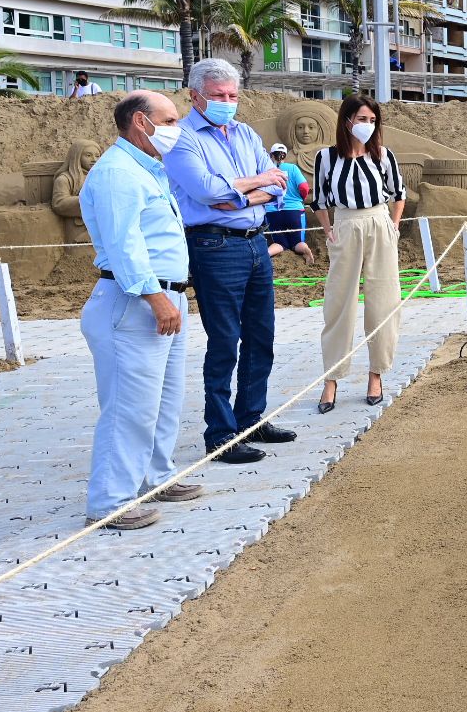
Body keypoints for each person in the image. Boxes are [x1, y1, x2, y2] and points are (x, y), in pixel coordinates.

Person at [78, 91, 203, 530]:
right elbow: (124, 244)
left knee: (164, 400)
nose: (177, 128)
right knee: (129, 407)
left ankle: (157, 477)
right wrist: (155, 297)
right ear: (140, 122)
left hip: (164, 299)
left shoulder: (147, 170)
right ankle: (110, 501)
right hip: (134, 303)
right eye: (169, 120)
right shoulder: (117, 173)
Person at [162, 58, 295, 465]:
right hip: (214, 246)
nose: (227, 102)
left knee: (262, 336)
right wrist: (256, 186)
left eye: (232, 95)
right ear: (195, 95)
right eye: (218, 96)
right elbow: (204, 192)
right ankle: (221, 434)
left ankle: (252, 418)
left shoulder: (247, 133)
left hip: (256, 243)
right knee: (224, 342)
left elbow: (278, 184)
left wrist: (241, 193)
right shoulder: (181, 137)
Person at [311, 94, 406, 414]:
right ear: (346, 120)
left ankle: (376, 374)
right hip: (345, 224)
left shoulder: (384, 156)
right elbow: (320, 200)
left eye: (372, 120)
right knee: (338, 303)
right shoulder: (326, 157)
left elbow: (399, 194)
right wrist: (328, 231)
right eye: (361, 119)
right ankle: (331, 378)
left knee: (383, 301)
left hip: (379, 222)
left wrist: (393, 225)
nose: (367, 125)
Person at [264, 142, 313, 264]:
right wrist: (301, 197)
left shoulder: (265, 171)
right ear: (285, 155)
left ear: (271, 155)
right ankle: (305, 250)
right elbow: (304, 187)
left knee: (279, 242)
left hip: (272, 212)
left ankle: (266, 255)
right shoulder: (292, 168)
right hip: (294, 210)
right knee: (297, 241)